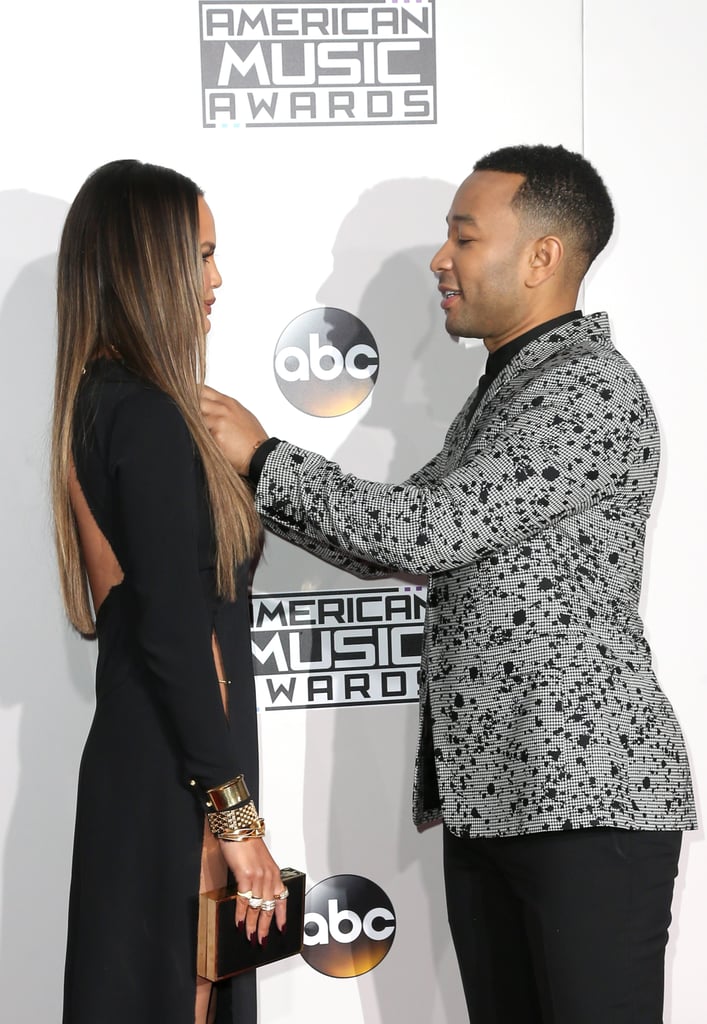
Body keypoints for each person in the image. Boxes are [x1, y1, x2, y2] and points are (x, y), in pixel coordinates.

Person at [200, 144, 696, 1023]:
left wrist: (266, 455)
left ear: (542, 257)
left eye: (463, 238)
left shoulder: (581, 388)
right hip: (506, 798)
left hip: (583, 800)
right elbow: (390, 542)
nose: (441, 260)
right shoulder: (511, 387)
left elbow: (426, 532)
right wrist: (241, 473)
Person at [52, 159, 287, 1024]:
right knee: (182, 990)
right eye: (200, 255)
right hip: (182, 770)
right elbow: (176, 631)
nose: (216, 279)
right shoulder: (147, 413)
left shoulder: (94, 399)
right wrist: (235, 817)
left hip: (144, 752)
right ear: (145, 263)